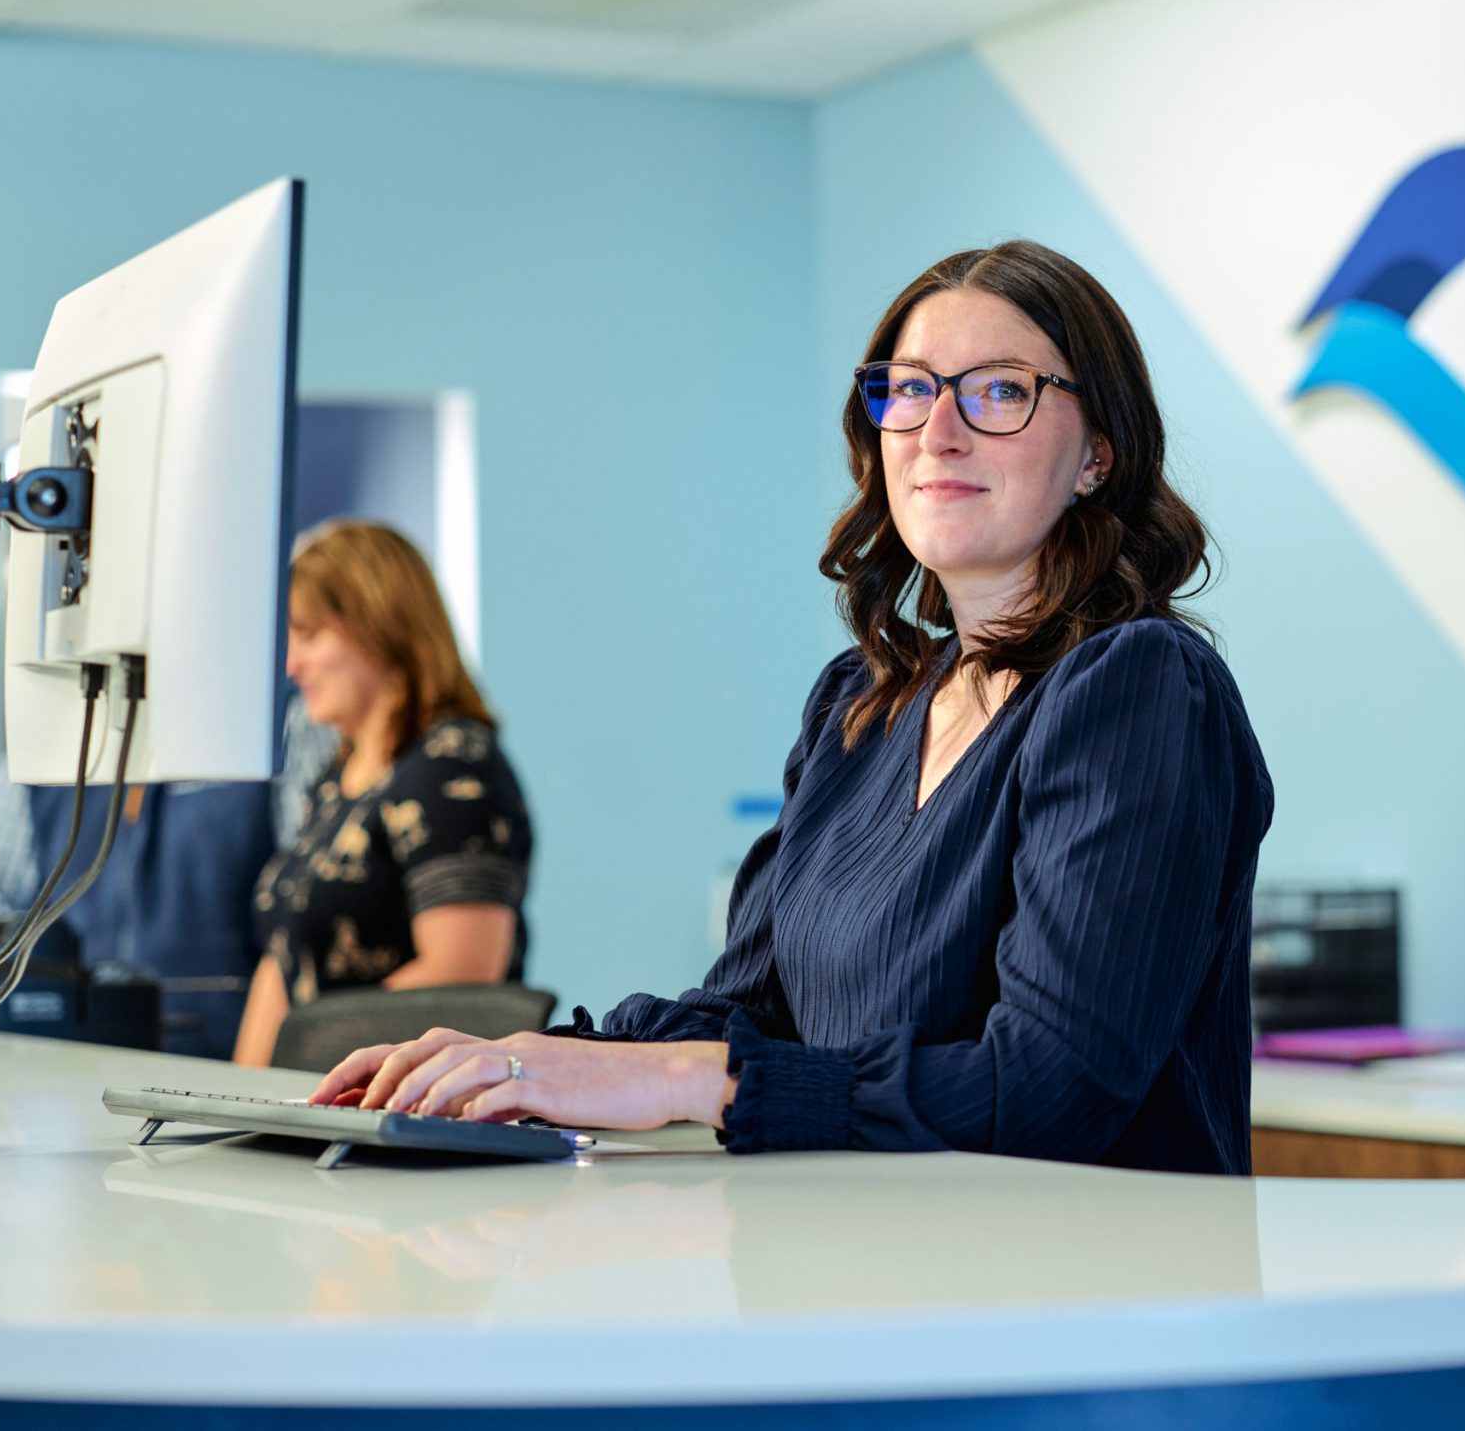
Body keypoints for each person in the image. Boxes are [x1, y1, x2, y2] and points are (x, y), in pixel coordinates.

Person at [311, 241, 1274, 1174]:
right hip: (859, 1277)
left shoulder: (1139, 685)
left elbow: (1047, 1092)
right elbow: (750, 1008)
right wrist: (526, 1062)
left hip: (1084, 1304)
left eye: (1000, 391)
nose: (938, 430)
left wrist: (695, 1081)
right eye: (908, 389)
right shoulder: (862, 704)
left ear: (1098, 453)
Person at [233, 521, 533, 1067]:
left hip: (399, 1108)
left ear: (379, 625)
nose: (291, 664)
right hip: (318, 1100)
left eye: (310, 634)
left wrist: (306, 1066)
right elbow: (285, 959)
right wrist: (238, 1102)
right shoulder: (337, 780)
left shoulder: (452, 766)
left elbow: (463, 973)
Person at [0, 765, 276, 1060]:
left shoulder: (264, 744)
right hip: (66, 1083)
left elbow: (297, 936)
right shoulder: (31, 771)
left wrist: (252, 1089)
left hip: (225, 1067)